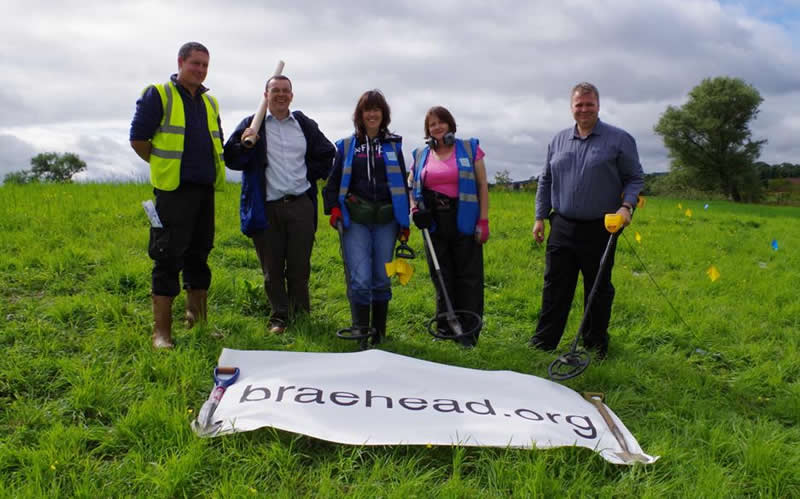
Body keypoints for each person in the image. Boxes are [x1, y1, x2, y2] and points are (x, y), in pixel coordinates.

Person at [529, 82, 644, 359]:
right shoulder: (557, 140)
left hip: (602, 226)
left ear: (598, 105)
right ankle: (545, 341)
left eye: (589, 104)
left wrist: (627, 206)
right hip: (562, 224)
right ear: (572, 107)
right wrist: (540, 217)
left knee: (597, 287)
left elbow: (634, 177)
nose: (584, 109)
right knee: (555, 285)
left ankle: (595, 343)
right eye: (579, 105)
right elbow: (546, 179)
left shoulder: (619, 139)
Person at [129, 41, 225, 349]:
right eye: (195, 63)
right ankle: (162, 333)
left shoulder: (210, 103)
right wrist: (162, 165)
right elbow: (138, 139)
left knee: (200, 255)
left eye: (204, 65)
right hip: (173, 192)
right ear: (180, 62)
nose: (200, 70)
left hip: (204, 191)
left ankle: (197, 322)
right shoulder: (158, 94)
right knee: (167, 257)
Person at [223, 75, 335, 334]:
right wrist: (245, 143)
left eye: (286, 91)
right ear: (266, 95)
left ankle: (301, 314)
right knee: (272, 269)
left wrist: (309, 175)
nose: (281, 95)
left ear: (292, 96)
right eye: (275, 91)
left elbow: (327, 153)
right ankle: (279, 317)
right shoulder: (253, 124)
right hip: (267, 207)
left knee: (299, 266)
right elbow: (231, 159)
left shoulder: (304, 124)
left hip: (300, 205)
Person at [322, 90, 410, 345]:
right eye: (367, 110)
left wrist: (404, 222)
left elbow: (402, 185)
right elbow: (333, 181)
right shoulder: (347, 146)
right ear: (360, 115)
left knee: (382, 278)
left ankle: (379, 336)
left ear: (384, 114)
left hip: (387, 220)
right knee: (360, 280)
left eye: (377, 109)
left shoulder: (394, 145)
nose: (372, 114)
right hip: (356, 220)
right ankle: (362, 335)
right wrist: (333, 209)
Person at [409, 106, 490, 347]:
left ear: (450, 125)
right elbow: (411, 185)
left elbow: (482, 186)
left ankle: (468, 330)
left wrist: (483, 221)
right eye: (432, 124)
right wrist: (415, 209)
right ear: (428, 130)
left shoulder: (469, 149)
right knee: (441, 274)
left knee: (468, 275)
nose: (437, 127)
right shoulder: (421, 155)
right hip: (433, 221)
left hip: (463, 218)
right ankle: (446, 327)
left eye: (441, 122)